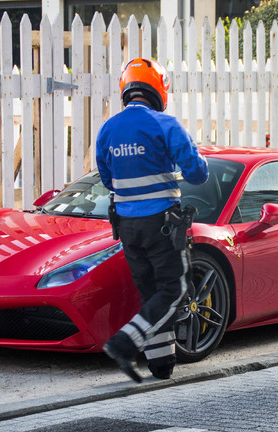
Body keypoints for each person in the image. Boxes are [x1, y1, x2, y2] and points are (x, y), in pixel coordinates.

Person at [96, 58, 209, 383]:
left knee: (151, 293)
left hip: (127, 228)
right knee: (175, 291)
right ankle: (124, 343)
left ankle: (161, 367)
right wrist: (192, 159)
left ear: (126, 89)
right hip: (162, 225)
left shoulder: (109, 129)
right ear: (159, 89)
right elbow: (197, 174)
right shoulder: (165, 123)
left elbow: (107, 178)